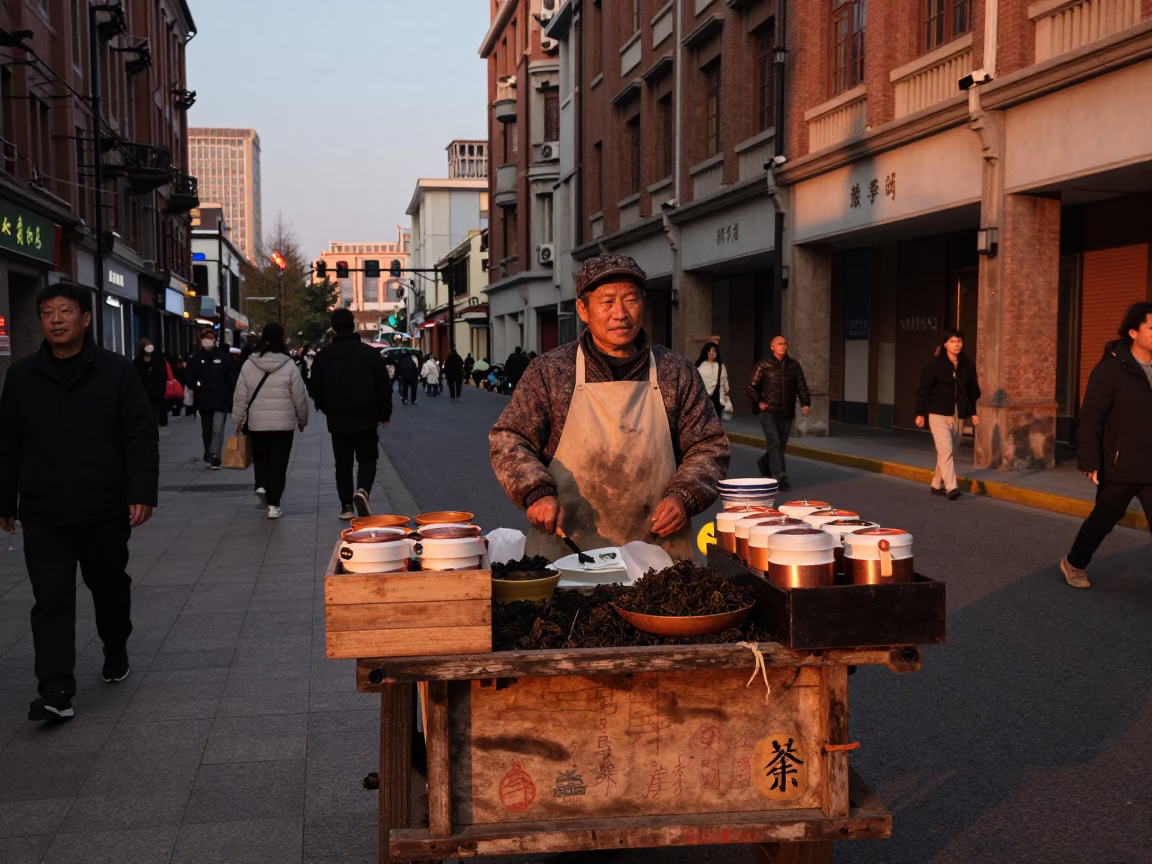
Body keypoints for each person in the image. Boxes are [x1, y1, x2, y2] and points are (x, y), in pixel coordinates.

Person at [490, 254, 730, 562]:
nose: (620, 313)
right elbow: (509, 438)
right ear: (583, 310)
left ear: (643, 303)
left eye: (631, 300)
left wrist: (684, 496)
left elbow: (709, 446)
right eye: (606, 302)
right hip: (568, 555)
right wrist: (536, 492)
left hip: (658, 556)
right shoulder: (550, 372)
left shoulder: (676, 372)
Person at [0, 282, 158, 721]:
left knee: (108, 586)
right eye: (47, 312)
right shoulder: (22, 376)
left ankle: (115, 642)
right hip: (43, 509)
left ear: (85, 319)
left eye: (65, 311)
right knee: (50, 599)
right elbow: (9, 444)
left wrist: (141, 492)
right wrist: (5, 499)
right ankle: (55, 689)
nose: (55, 319)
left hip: (104, 506)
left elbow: (140, 435)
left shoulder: (115, 371)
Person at [1061, 302, 1152, 589]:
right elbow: (1091, 418)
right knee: (1103, 520)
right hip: (1119, 465)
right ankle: (1074, 563)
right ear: (1133, 332)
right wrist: (1089, 461)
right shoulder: (1110, 369)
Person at [311, 308, 393, 520]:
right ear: (353, 325)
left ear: (333, 327)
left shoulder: (324, 356)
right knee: (367, 458)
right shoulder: (369, 353)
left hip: (338, 419)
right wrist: (384, 413)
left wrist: (327, 407)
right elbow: (383, 385)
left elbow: (315, 388)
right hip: (367, 416)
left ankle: (346, 506)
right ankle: (362, 490)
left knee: (343, 463)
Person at [232, 322, 309, 519]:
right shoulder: (289, 364)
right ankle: (274, 506)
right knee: (279, 464)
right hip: (283, 425)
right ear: (282, 338)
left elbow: (240, 393)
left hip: (257, 423)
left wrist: (238, 418)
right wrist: (302, 419)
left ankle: (261, 487)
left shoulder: (249, 363)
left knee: (261, 460)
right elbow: (299, 395)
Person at [914, 329, 981, 501]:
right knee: (946, 449)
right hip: (937, 413)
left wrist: (973, 411)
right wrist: (920, 413)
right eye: (952, 341)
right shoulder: (934, 365)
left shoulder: (968, 365)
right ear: (945, 344)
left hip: (959, 415)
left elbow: (973, 391)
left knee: (949, 452)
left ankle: (937, 483)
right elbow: (924, 390)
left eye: (959, 341)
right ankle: (951, 487)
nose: (956, 344)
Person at [747, 335, 810, 491]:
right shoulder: (763, 365)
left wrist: (805, 403)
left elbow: (801, 385)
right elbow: (751, 387)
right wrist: (760, 402)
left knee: (780, 445)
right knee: (774, 442)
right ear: (772, 346)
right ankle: (780, 477)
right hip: (769, 412)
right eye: (780, 344)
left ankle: (764, 463)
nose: (783, 346)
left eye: (785, 344)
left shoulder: (794, 366)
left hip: (787, 412)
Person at [186, 328, 237, 468]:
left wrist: (232, 395)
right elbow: (189, 377)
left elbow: (231, 377)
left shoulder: (223, 357)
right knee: (207, 429)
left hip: (221, 399)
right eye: (205, 339)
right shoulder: (196, 359)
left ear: (215, 340)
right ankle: (209, 451)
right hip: (204, 400)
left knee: (218, 428)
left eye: (210, 339)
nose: (207, 342)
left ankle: (215, 455)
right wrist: (197, 387)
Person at [134, 338, 168, 431]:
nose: (149, 347)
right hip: (144, 393)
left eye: (150, 344)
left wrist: (162, 388)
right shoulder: (137, 361)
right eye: (146, 345)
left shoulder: (158, 359)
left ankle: (154, 430)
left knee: (156, 414)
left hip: (157, 392)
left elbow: (164, 375)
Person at [695, 341, 733, 420]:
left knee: (716, 421)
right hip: (703, 398)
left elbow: (725, 383)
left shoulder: (721, 366)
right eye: (710, 351)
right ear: (706, 352)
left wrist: (727, 396)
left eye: (714, 351)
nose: (712, 353)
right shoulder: (700, 367)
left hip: (717, 398)